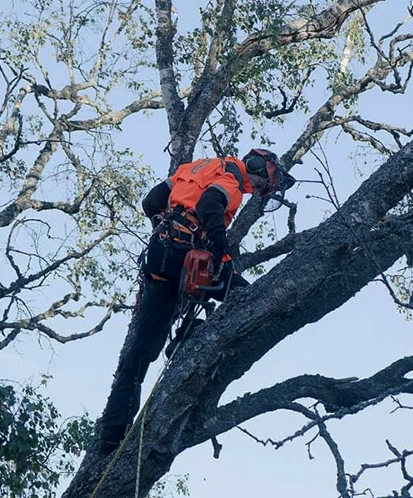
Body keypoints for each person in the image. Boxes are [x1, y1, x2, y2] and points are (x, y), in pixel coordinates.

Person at [99, 149, 295, 451]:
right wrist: (221, 251)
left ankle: (113, 430)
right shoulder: (230, 179)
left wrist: (165, 231)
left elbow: (151, 201)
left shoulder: (196, 167)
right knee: (245, 294)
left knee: (142, 347)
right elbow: (208, 205)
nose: (262, 188)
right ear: (258, 166)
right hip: (181, 254)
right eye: (266, 181)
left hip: (159, 255)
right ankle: (188, 338)